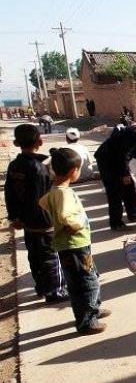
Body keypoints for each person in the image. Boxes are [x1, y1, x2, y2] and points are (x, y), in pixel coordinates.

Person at [39, 148, 109, 334]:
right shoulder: (64, 193)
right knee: (87, 282)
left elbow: (43, 202)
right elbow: (64, 215)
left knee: (82, 279)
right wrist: (75, 223)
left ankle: (92, 309)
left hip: (70, 246)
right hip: (75, 245)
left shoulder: (55, 190)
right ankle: (87, 320)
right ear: (74, 171)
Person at [5, 124, 68, 303]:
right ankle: (55, 291)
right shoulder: (39, 169)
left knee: (35, 256)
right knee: (50, 257)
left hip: (27, 222)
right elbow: (39, 199)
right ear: (40, 141)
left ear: (16, 142)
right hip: (43, 222)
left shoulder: (14, 166)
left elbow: (9, 193)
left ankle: (41, 286)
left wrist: (15, 216)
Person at [94, 124, 136, 230]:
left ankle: (134, 214)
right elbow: (123, 155)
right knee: (115, 191)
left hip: (117, 160)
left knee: (129, 187)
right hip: (108, 161)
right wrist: (124, 174)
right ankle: (116, 223)